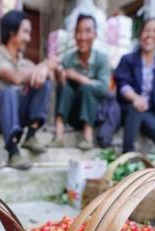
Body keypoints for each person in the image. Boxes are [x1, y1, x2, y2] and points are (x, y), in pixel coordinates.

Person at [0, 10, 59, 170]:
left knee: (43, 83)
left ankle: (31, 136)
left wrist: (47, 70)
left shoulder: (26, 62)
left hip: (14, 116)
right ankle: (13, 152)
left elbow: (47, 76)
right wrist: (44, 65)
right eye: (25, 32)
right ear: (12, 32)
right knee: (9, 91)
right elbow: (15, 78)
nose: (29, 38)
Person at [114, 16, 155, 153]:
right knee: (136, 109)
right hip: (127, 108)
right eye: (146, 30)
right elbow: (123, 85)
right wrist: (136, 98)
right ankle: (127, 155)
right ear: (140, 34)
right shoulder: (128, 60)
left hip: (148, 111)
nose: (150, 35)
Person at [54, 14, 110, 151]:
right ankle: (58, 135)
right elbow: (63, 90)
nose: (82, 36)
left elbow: (104, 88)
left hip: (93, 114)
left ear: (95, 34)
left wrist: (78, 77)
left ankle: (88, 136)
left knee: (87, 88)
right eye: (79, 31)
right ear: (74, 35)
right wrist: (61, 76)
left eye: (87, 31)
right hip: (72, 114)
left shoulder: (101, 59)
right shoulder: (68, 59)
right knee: (65, 87)